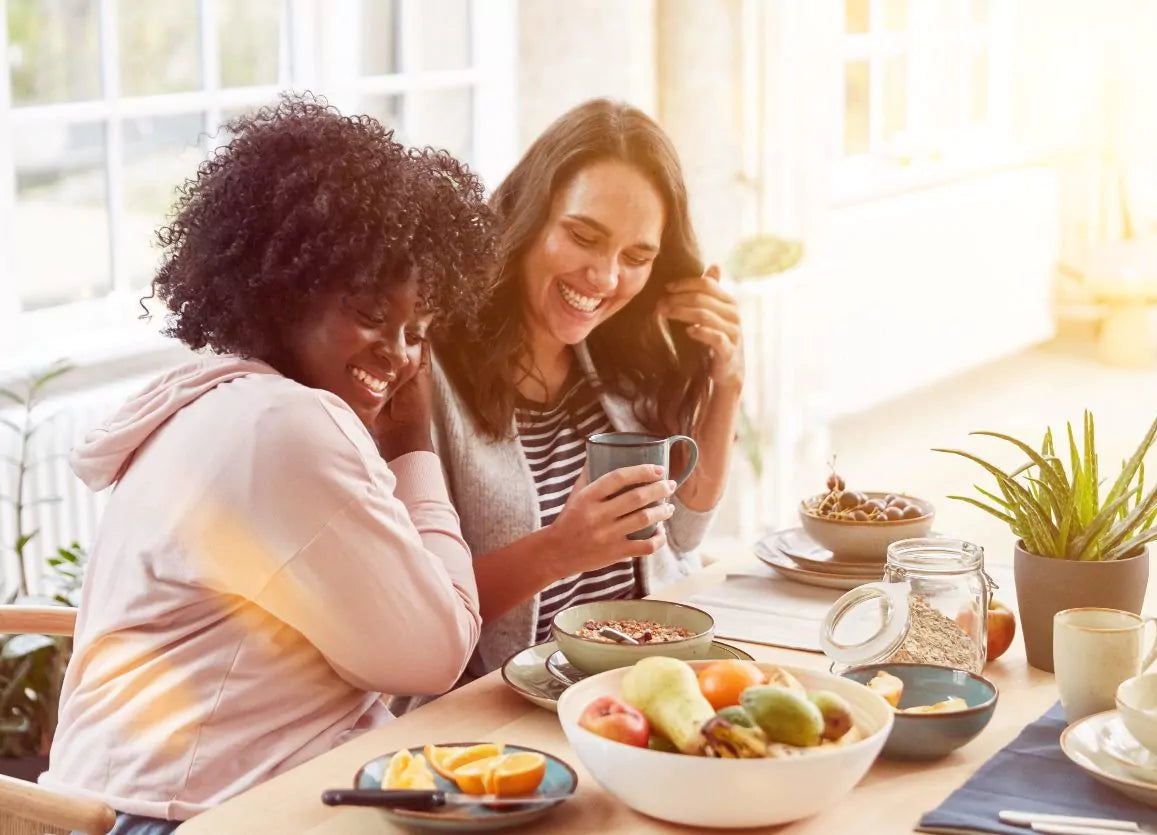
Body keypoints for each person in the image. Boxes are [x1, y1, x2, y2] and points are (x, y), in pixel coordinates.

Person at [40, 95, 497, 833]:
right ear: (283, 291)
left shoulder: (215, 401)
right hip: (185, 817)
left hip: (157, 798)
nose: (402, 354)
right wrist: (415, 441)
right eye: (372, 314)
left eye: (418, 329)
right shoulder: (285, 425)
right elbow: (437, 649)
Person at [431, 98, 744, 677]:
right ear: (528, 217)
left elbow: (683, 533)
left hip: (649, 675)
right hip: (506, 712)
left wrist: (728, 382)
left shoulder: (621, 351)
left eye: (636, 256)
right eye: (582, 236)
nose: (604, 278)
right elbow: (422, 613)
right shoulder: (432, 372)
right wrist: (562, 547)